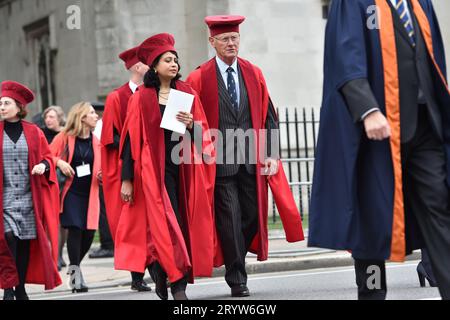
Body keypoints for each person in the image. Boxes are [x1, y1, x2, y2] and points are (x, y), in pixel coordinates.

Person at [309, 0, 450, 300]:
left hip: (425, 124)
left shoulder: (420, 2)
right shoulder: (353, 3)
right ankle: (372, 295)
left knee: (439, 205)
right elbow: (346, 57)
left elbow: (433, 56)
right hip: (379, 130)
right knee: (371, 221)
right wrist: (367, 109)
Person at [186, 15, 304, 298]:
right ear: (211, 41)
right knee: (230, 218)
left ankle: (235, 252)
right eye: (225, 39)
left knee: (250, 218)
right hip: (220, 164)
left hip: (252, 162)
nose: (231, 43)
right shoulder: (199, 77)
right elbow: (189, 121)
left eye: (235, 38)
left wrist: (272, 153)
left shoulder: (254, 73)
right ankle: (237, 278)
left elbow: (269, 116)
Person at [116, 33, 216, 300]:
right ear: (155, 66)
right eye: (167, 60)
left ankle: (173, 279)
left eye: (175, 60)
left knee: (179, 224)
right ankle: (170, 279)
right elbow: (128, 141)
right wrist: (127, 179)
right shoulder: (142, 98)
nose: (174, 64)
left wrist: (192, 124)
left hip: (181, 170)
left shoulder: (187, 93)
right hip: (152, 174)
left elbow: (202, 137)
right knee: (162, 227)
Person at [98, 47, 152, 292]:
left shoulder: (154, 92)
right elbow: (111, 136)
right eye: (149, 62)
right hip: (127, 167)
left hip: (151, 166)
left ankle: (161, 270)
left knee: (154, 220)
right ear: (138, 67)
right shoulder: (116, 97)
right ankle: (136, 276)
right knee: (131, 223)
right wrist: (136, 148)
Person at [0, 81, 61, 300]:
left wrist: (43, 166)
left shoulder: (34, 132)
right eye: (0, 103)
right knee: (7, 239)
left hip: (28, 199)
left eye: (6, 103)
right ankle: (8, 287)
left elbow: (48, 159)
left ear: (18, 106)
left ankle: (21, 287)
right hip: (4, 200)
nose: (2, 107)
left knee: (24, 244)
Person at [50, 102, 101, 293]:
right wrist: (59, 162)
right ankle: (75, 274)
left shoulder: (96, 141)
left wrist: (102, 176)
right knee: (76, 229)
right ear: (81, 118)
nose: (96, 116)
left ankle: (75, 267)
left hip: (90, 194)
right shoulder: (64, 138)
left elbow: (103, 167)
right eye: (92, 113)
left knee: (88, 234)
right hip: (71, 193)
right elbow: (46, 155)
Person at [41, 105, 68, 271]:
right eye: (47, 117)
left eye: (52, 117)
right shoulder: (41, 134)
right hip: (49, 180)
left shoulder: (66, 134)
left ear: (59, 118)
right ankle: (55, 256)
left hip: (66, 180)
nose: (48, 120)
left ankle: (59, 254)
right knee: (53, 218)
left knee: (64, 221)